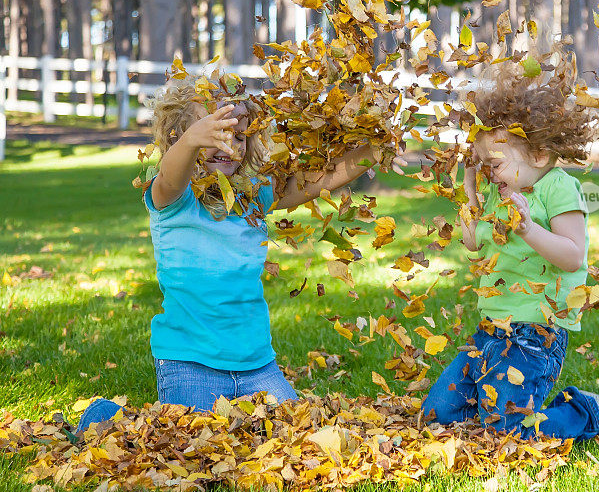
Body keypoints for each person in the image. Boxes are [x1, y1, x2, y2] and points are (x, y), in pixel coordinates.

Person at [78, 75, 403, 430]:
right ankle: (103, 417)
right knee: (194, 455)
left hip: (257, 366)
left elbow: (316, 182)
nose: (228, 143)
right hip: (190, 365)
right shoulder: (173, 199)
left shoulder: (252, 197)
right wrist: (191, 140)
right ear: (179, 137)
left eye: (238, 135)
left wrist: (375, 150)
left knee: (293, 441)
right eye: (215, 132)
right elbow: (172, 175)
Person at [422, 50, 599, 441]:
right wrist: (470, 191)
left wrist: (529, 230)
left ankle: (586, 412)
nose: (488, 173)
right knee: (436, 416)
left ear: (539, 154)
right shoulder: (501, 190)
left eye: (492, 163)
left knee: (507, 430)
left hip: (536, 333)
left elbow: (572, 256)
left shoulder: (557, 188)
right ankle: (497, 404)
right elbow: (473, 243)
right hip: (491, 331)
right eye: (482, 165)